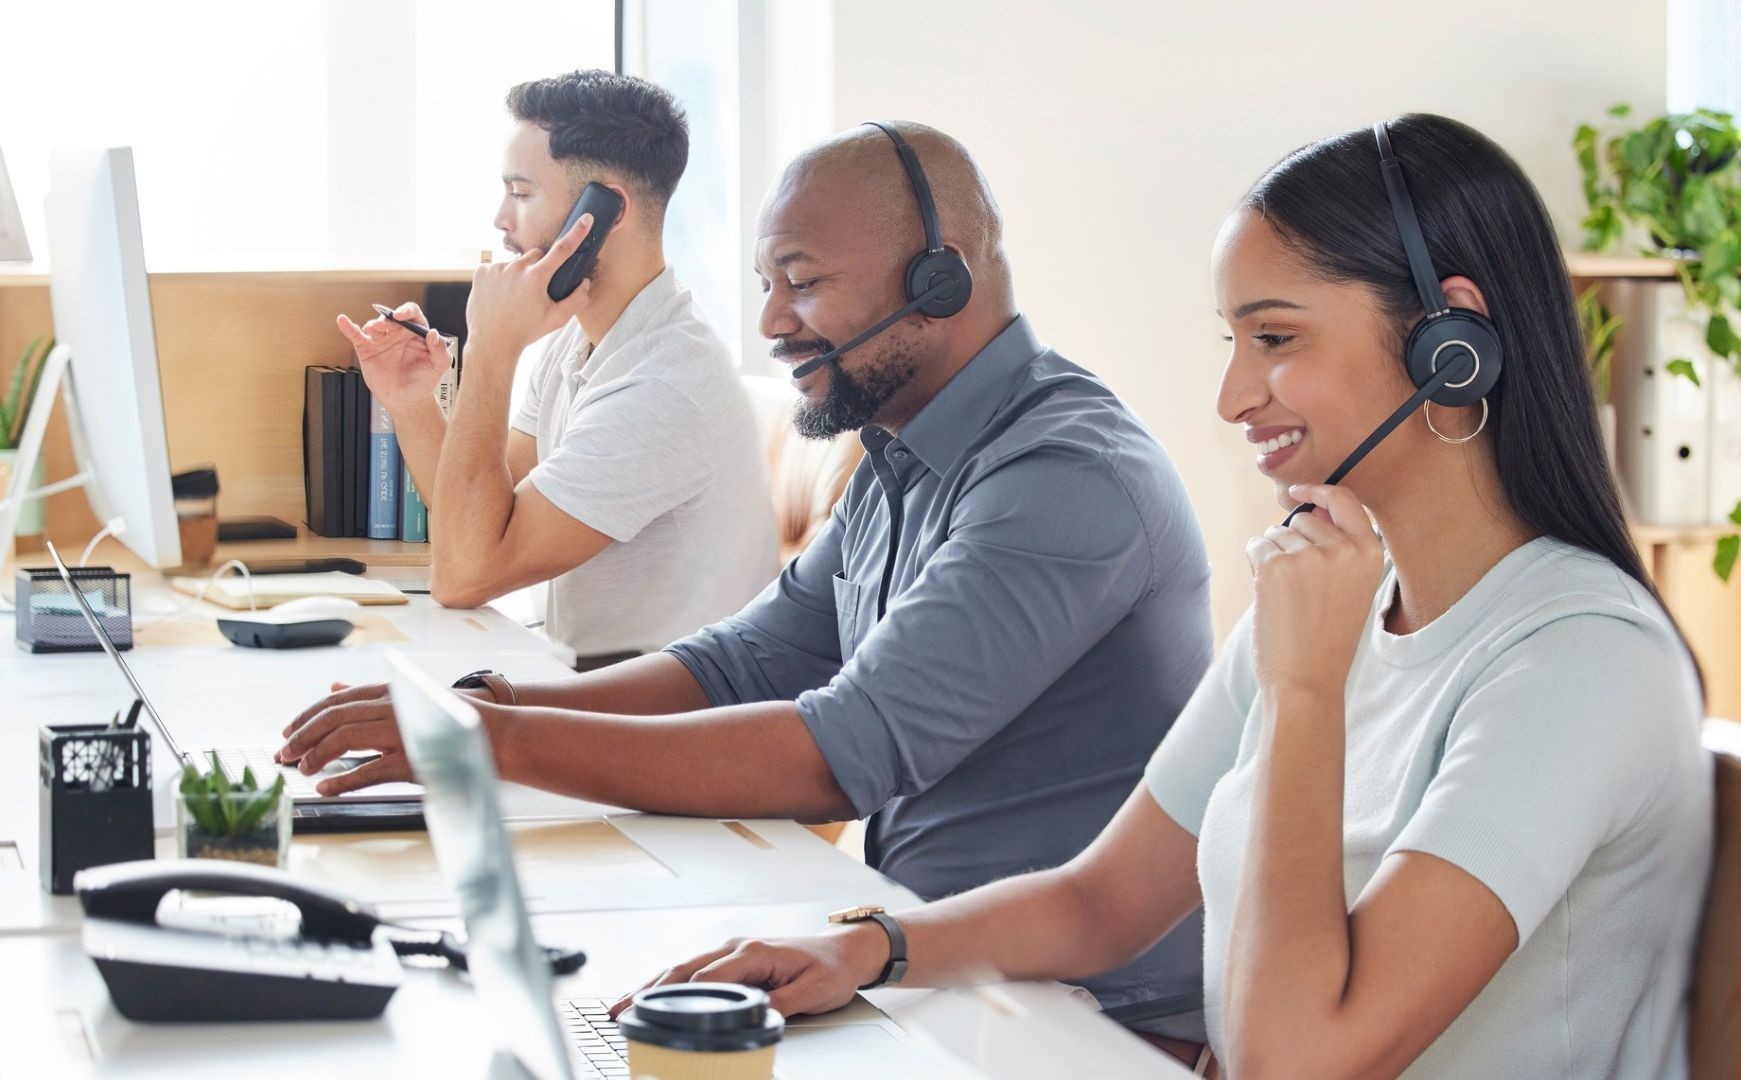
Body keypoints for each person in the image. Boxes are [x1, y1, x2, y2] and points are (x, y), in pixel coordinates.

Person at [618, 114, 1715, 1080]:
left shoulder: (1575, 662)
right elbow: (1102, 901)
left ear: (1450, 343)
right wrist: (866, 949)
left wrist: (1300, 691)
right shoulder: (1335, 593)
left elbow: (1298, 1064)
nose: (1234, 396)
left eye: (1275, 339)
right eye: (1231, 341)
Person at [279, 121, 1215, 1029]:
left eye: (801, 285)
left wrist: (494, 744)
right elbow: (747, 662)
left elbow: (842, 752)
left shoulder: (1064, 478)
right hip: (918, 955)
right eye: (767, 284)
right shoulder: (906, 447)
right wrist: (492, 703)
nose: (770, 321)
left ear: (943, 276)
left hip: (1080, 1015)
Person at [337, 69, 776, 667]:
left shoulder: (664, 386)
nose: (499, 218)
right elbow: (487, 516)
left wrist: (491, 348)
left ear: (603, 213)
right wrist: (414, 401)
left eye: (520, 194)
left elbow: (466, 573)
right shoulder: (582, 343)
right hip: (592, 690)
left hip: (662, 728)